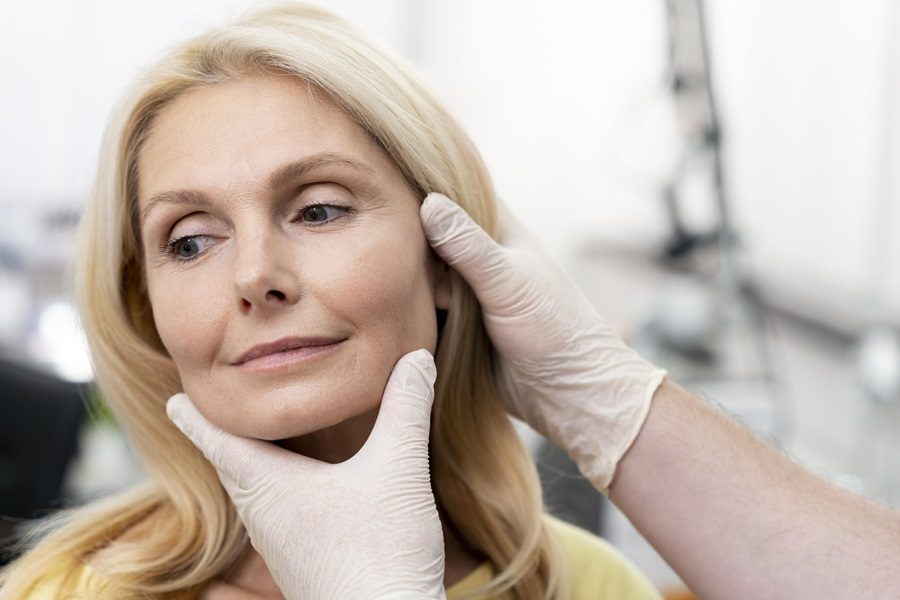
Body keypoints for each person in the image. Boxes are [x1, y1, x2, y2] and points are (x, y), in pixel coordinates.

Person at [0, 3, 662, 599]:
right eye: (192, 242)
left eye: (319, 210)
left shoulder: (583, 586)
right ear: (147, 310)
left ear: (445, 252)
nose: (255, 275)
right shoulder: (60, 591)